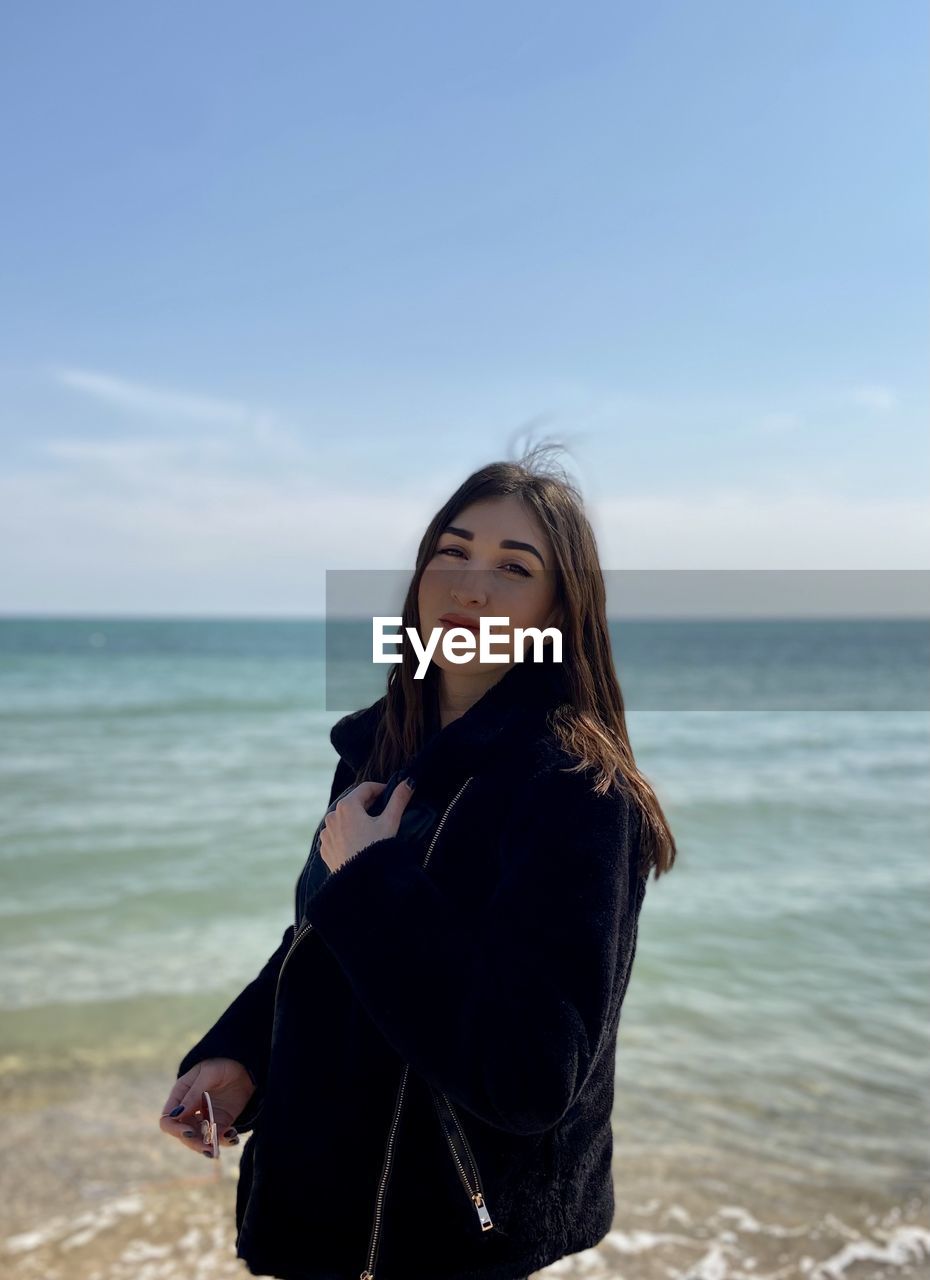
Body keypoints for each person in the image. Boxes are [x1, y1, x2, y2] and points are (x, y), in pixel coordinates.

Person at [159, 442, 677, 1280]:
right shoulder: (381, 749)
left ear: (557, 610)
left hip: (437, 1242)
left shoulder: (575, 789)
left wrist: (372, 883)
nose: (471, 585)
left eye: (515, 567)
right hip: (316, 1220)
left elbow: (531, 1074)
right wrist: (239, 1054)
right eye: (454, 550)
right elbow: (321, 945)